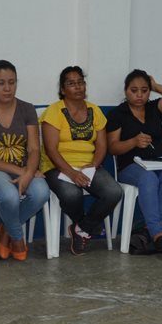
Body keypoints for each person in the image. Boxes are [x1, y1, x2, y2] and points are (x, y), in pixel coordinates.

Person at [0, 60, 50, 262]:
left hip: (23, 168)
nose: (7, 88)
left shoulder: (27, 109)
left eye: (11, 83)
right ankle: (18, 239)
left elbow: (33, 148)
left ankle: (6, 231)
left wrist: (29, 172)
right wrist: (22, 172)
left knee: (41, 193)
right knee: (9, 196)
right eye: (1, 83)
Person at [39, 66, 123, 255]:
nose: (77, 87)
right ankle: (87, 227)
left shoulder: (95, 110)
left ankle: (82, 229)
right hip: (57, 166)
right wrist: (71, 172)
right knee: (71, 195)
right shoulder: (54, 112)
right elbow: (51, 150)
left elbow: (102, 145)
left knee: (114, 192)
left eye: (80, 82)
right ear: (62, 89)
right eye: (71, 83)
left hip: (88, 165)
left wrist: (94, 164)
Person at [106, 70, 162, 253]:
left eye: (144, 90)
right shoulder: (118, 114)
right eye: (134, 90)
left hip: (160, 162)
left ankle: (148, 229)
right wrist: (133, 142)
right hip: (131, 166)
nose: (139, 95)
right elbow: (112, 148)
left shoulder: (154, 108)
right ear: (125, 91)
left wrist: (155, 86)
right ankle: (157, 233)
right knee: (149, 178)